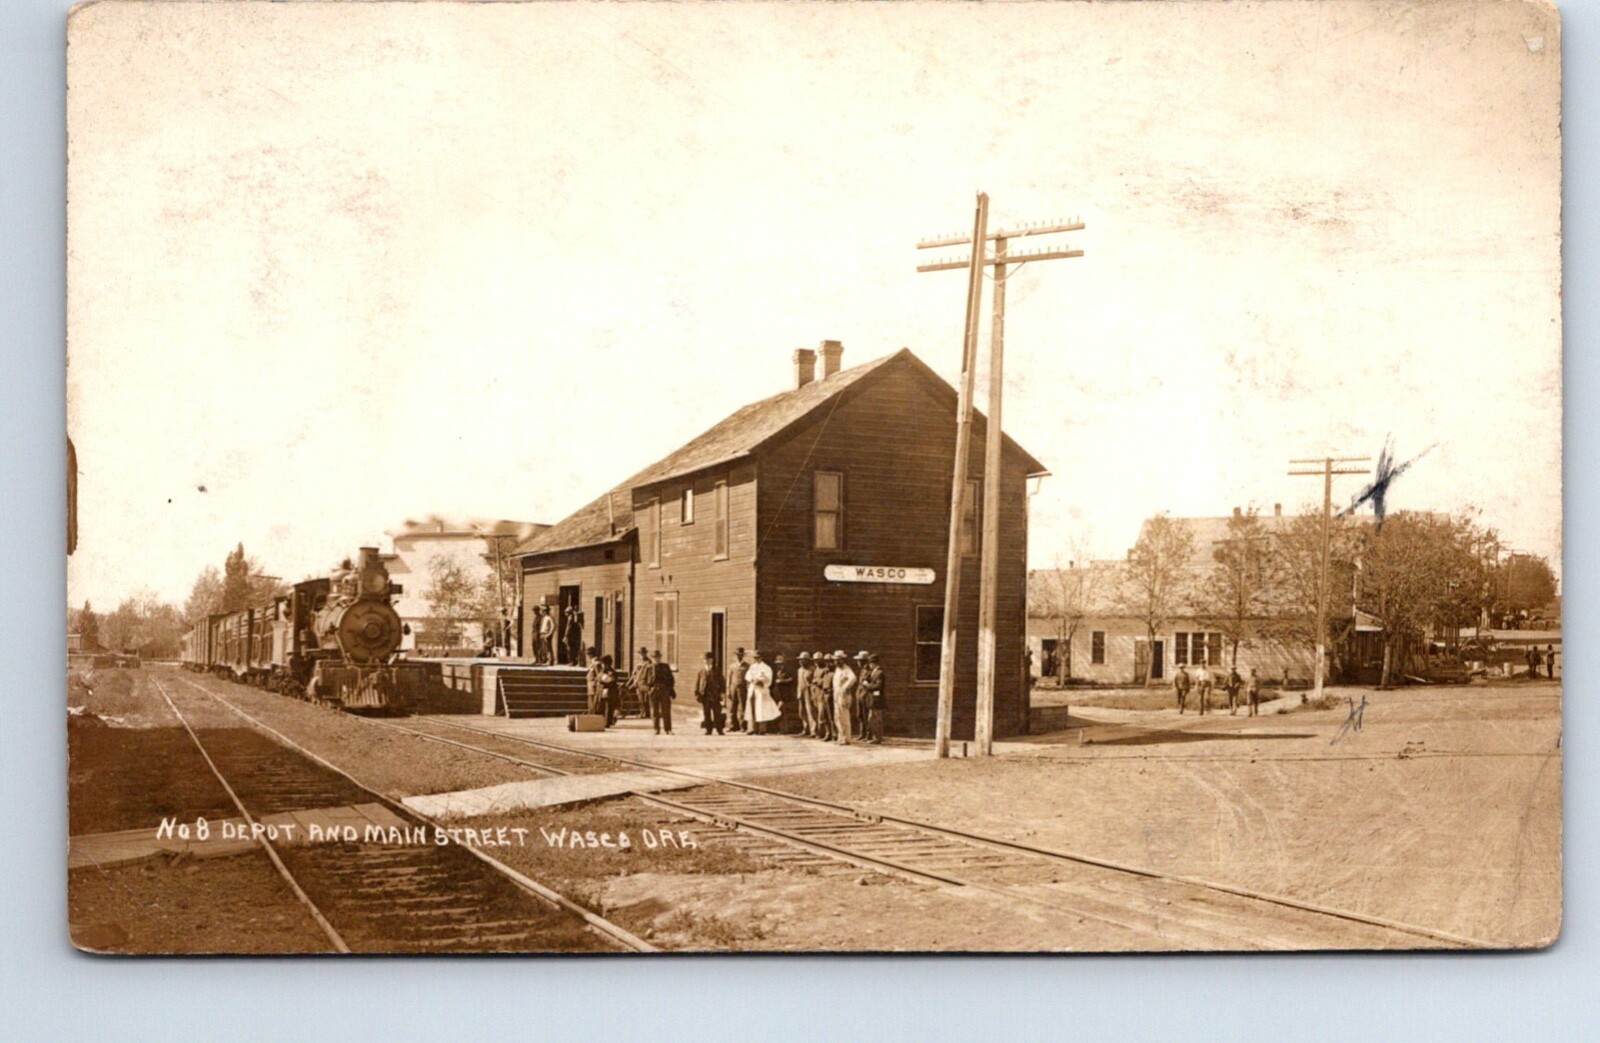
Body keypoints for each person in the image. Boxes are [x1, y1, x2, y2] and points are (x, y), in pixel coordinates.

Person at [745, 650, 779, 735]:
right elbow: (747, 676)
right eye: (755, 658)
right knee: (752, 708)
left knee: (761, 709)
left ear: (761, 658)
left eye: (758, 658)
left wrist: (761, 681)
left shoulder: (766, 668)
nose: (756, 659)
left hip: (761, 690)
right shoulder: (752, 666)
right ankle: (752, 728)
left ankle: (762, 729)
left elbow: (769, 679)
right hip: (753, 689)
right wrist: (752, 679)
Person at [831, 651, 859, 745]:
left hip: (844, 696)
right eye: (835, 660)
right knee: (837, 717)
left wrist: (845, 687)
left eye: (838, 660)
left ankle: (846, 738)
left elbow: (853, 678)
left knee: (844, 717)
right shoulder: (837, 670)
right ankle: (841, 737)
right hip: (836, 695)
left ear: (842, 660)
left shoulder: (847, 669)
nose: (836, 662)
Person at [694, 651, 726, 735]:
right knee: (706, 713)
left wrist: (722, 692)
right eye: (705, 659)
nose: (706, 661)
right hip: (705, 695)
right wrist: (697, 693)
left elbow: (722, 682)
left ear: (712, 660)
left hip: (715, 695)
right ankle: (708, 730)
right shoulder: (701, 672)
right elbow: (697, 683)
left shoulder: (717, 670)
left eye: (708, 659)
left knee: (717, 713)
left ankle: (719, 730)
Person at [648, 649, 675, 734]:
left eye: (658, 657)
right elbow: (642, 680)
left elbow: (671, 679)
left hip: (664, 690)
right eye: (655, 657)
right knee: (654, 710)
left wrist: (669, 689)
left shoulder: (665, 667)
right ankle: (656, 728)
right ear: (652, 658)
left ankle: (668, 729)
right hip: (654, 690)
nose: (657, 659)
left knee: (666, 710)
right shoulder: (649, 667)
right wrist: (648, 690)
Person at [861, 652, 885, 744]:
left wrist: (867, 685)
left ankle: (878, 738)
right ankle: (875, 736)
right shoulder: (873, 672)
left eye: (870, 663)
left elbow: (878, 686)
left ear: (874, 663)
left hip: (877, 698)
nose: (869, 665)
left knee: (877, 718)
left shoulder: (880, 673)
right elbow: (866, 679)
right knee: (871, 718)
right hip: (872, 698)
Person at [811, 650, 835, 741]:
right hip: (818, 694)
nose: (816, 662)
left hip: (826, 693)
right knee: (822, 714)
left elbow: (825, 682)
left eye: (818, 660)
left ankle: (830, 733)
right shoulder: (818, 669)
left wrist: (818, 682)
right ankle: (826, 733)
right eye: (815, 660)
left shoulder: (829, 671)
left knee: (826, 714)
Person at [771, 654, 797, 734]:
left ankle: (784, 729)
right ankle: (780, 728)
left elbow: (792, 679)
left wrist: (782, 681)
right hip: (778, 694)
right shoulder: (777, 671)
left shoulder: (788, 671)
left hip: (785, 694)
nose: (779, 665)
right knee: (779, 711)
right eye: (777, 664)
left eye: (780, 664)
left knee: (783, 711)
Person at [725, 648, 748, 732]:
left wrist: (747, 689)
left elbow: (748, 679)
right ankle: (732, 726)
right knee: (732, 707)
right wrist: (728, 690)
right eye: (737, 655)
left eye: (740, 655)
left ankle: (743, 726)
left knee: (742, 707)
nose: (739, 657)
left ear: (743, 656)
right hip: (733, 688)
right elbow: (729, 678)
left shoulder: (747, 666)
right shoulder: (732, 666)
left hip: (743, 688)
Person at [794, 652, 817, 736]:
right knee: (801, 711)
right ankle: (806, 728)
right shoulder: (799, 670)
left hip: (809, 692)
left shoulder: (812, 669)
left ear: (807, 661)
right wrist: (798, 692)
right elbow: (799, 682)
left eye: (803, 660)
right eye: (800, 660)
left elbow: (815, 681)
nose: (801, 662)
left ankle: (813, 730)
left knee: (810, 710)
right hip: (801, 692)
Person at [629, 646, 654, 720]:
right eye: (641, 653)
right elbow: (635, 672)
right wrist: (633, 680)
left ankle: (647, 713)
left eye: (643, 653)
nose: (642, 655)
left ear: (646, 653)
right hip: (638, 682)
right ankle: (642, 712)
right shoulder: (639, 662)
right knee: (640, 699)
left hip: (644, 682)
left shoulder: (648, 662)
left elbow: (648, 673)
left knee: (645, 699)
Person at [853, 651, 873, 737]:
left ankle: (868, 734)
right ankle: (862, 733)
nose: (858, 662)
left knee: (866, 715)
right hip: (860, 694)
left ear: (864, 661)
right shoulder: (862, 670)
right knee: (860, 714)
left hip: (865, 695)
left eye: (860, 660)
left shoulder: (869, 671)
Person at [596, 654, 619, 726]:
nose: (602, 665)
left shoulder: (612, 672)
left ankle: (608, 722)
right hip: (602, 691)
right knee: (601, 706)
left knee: (608, 707)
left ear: (607, 664)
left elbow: (612, 682)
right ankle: (602, 721)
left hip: (610, 691)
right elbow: (598, 678)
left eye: (603, 663)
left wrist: (604, 683)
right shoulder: (602, 671)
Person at [584, 646, 604, 716]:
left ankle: (593, 714)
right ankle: (590, 712)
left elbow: (599, 674)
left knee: (593, 700)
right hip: (590, 684)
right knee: (590, 700)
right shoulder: (592, 662)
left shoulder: (596, 663)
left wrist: (596, 682)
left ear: (591, 654)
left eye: (588, 654)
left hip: (593, 685)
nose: (587, 656)